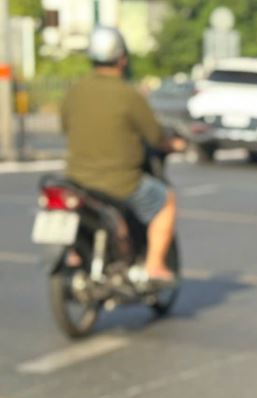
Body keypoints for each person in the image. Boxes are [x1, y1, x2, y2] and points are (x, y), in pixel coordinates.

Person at [62, 26, 184, 283]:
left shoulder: (75, 91)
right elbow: (155, 136)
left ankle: (75, 254)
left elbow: (65, 126)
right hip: (120, 182)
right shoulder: (129, 95)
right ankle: (154, 266)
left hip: (75, 179)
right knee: (166, 201)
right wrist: (174, 144)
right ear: (122, 59)